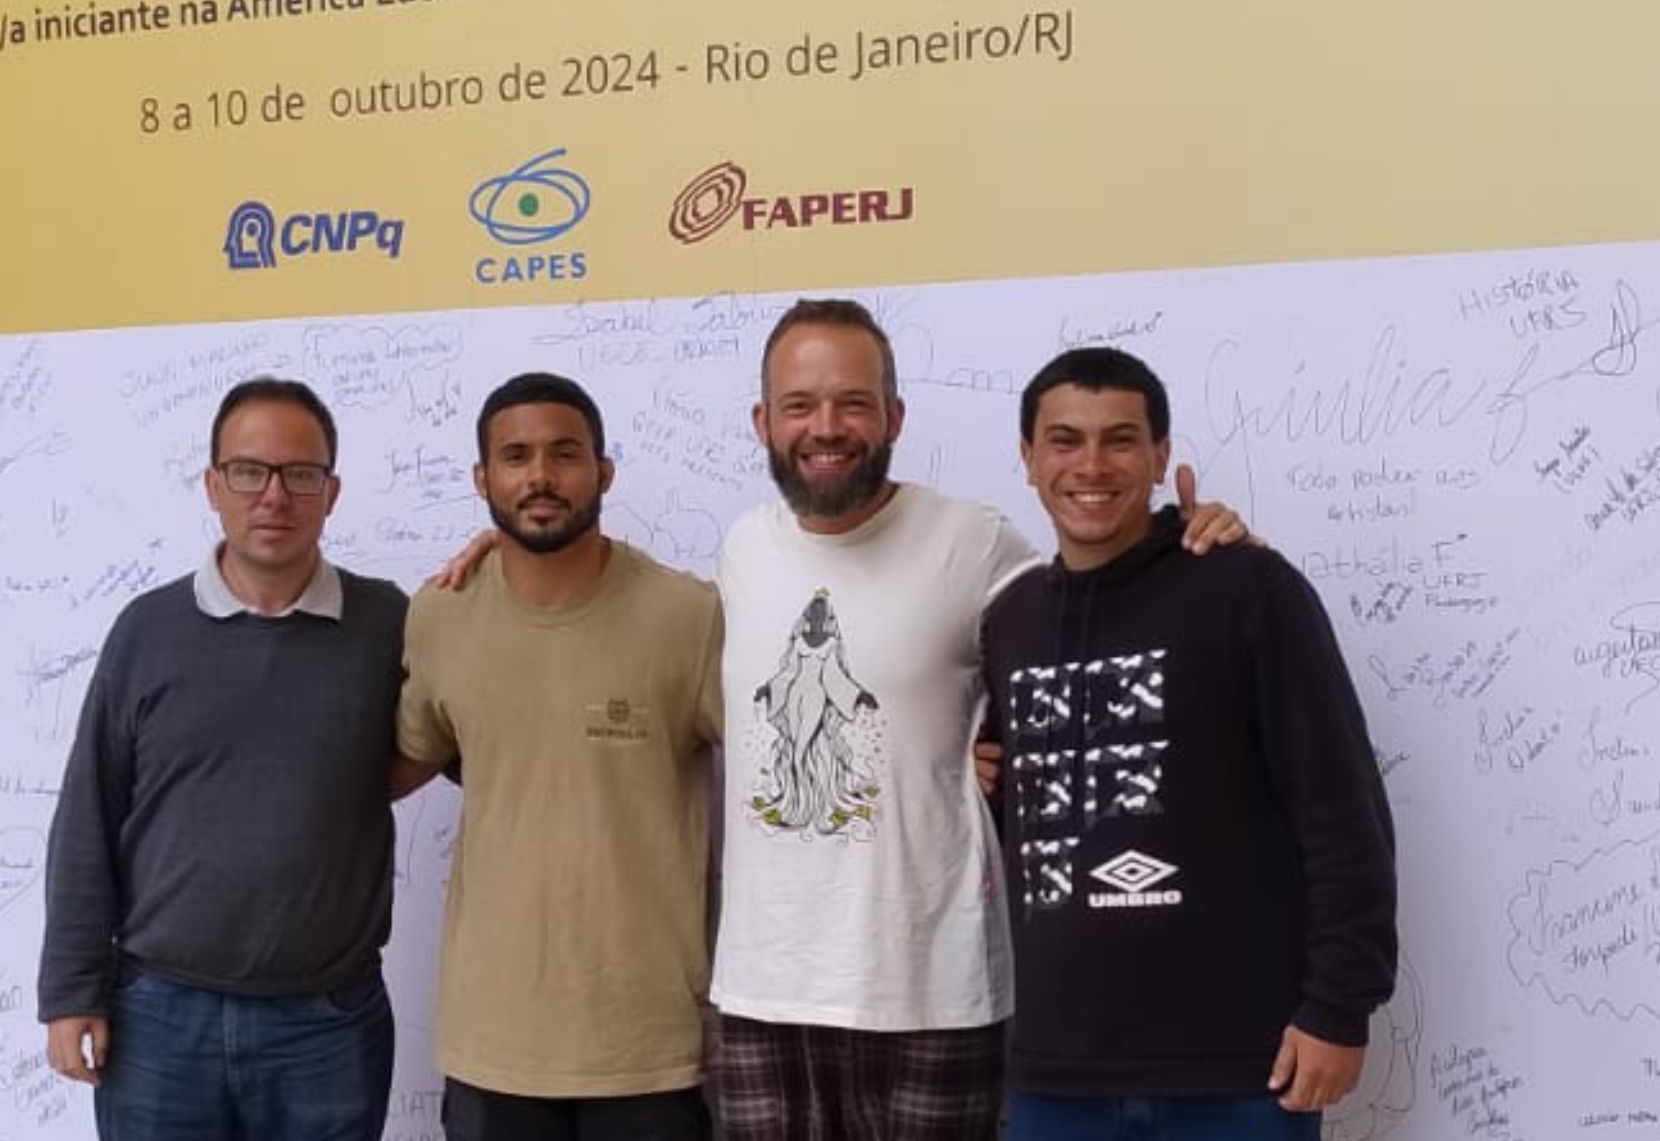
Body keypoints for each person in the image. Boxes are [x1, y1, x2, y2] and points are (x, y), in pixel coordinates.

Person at [707, 301, 1248, 1141]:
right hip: (760, 992)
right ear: (762, 421)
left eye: (854, 402)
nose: (827, 427)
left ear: (894, 416)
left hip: (933, 989)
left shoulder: (974, 543)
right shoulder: (741, 549)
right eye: (799, 404)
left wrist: (1196, 543)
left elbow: (1098, 621)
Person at [978, 347, 1397, 1140]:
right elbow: (1017, 807)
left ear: (1161, 454)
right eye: (1065, 440)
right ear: (1028, 457)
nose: (1091, 465)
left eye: (1120, 438)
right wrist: (981, 779)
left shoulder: (1249, 590)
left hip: (1239, 1074)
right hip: (1055, 1074)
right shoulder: (1012, 620)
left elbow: (1343, 812)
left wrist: (1340, 1006)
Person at [38, 378, 406, 1140]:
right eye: (248, 471)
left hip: (327, 1025)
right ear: (212, 485)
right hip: (158, 1019)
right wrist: (71, 991)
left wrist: (499, 569)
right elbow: (88, 814)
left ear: (332, 491)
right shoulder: (146, 631)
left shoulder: (389, 625)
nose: (274, 495)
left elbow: (471, 718)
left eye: (299, 473)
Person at [392, 372, 721, 1141]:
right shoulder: (439, 614)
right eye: (515, 456)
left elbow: (787, 756)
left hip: (647, 1048)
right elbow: (400, 763)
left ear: (604, 470)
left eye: (564, 454)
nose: (540, 475)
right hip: (492, 1042)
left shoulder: (689, 615)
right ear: (482, 478)